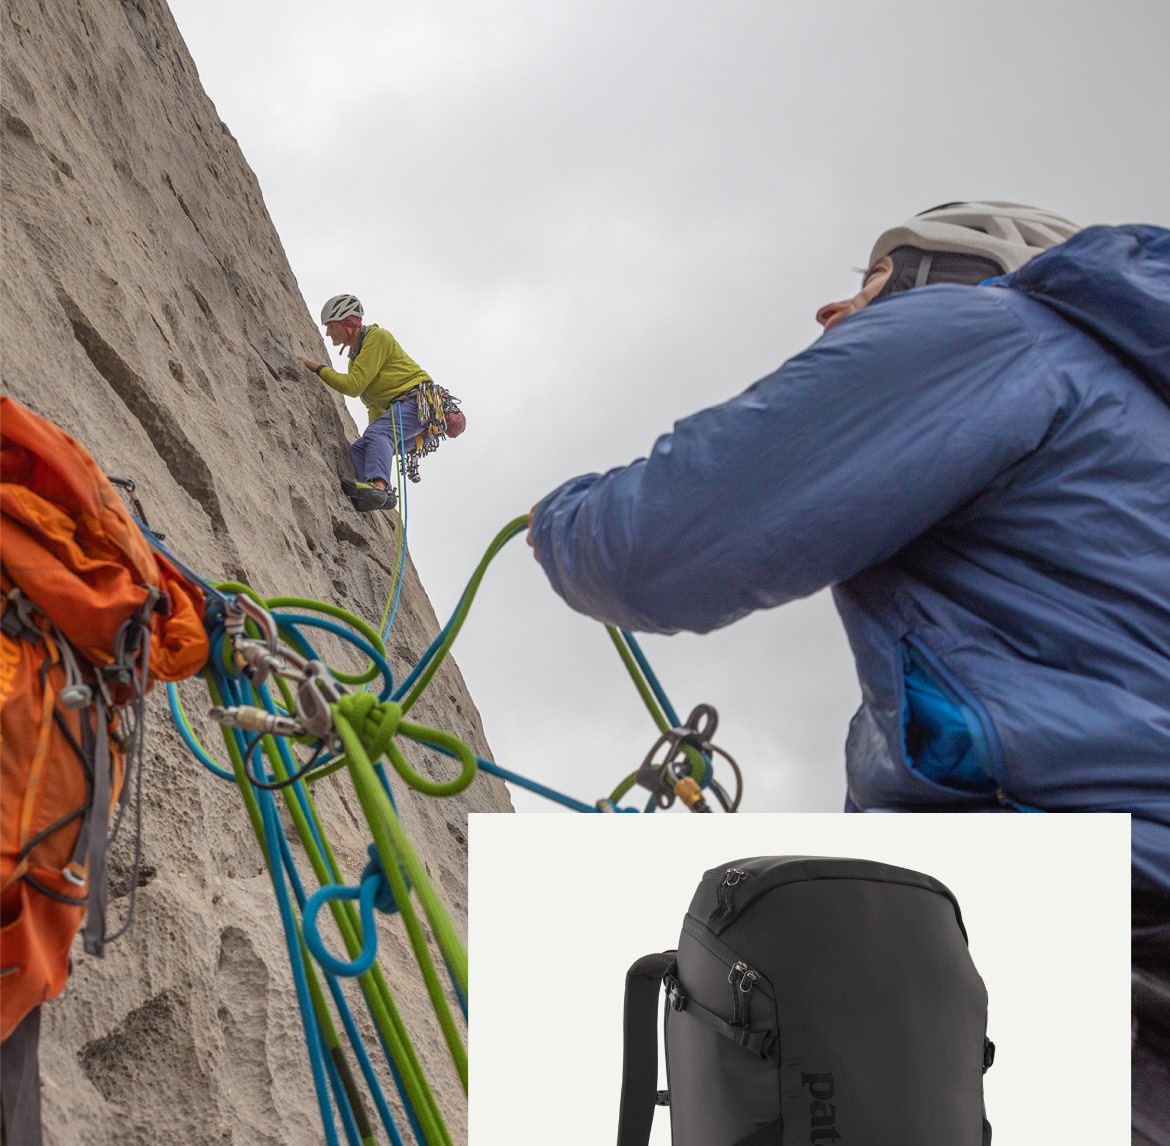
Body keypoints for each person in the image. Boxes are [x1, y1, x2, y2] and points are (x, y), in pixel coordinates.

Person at [527, 203, 1170, 1138]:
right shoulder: (1137, 432)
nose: (834, 310)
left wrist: (557, 517)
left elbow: (652, 548)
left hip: (1108, 931)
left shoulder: (987, 333)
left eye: (870, 281)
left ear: (946, 274)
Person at [297, 294, 465, 510]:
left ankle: (379, 487)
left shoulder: (377, 338)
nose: (327, 332)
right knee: (360, 448)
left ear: (347, 322)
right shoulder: (356, 358)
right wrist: (372, 437)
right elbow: (373, 405)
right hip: (410, 414)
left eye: (330, 325)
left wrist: (317, 368)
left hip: (418, 403)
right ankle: (367, 493)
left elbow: (352, 386)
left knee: (377, 434)